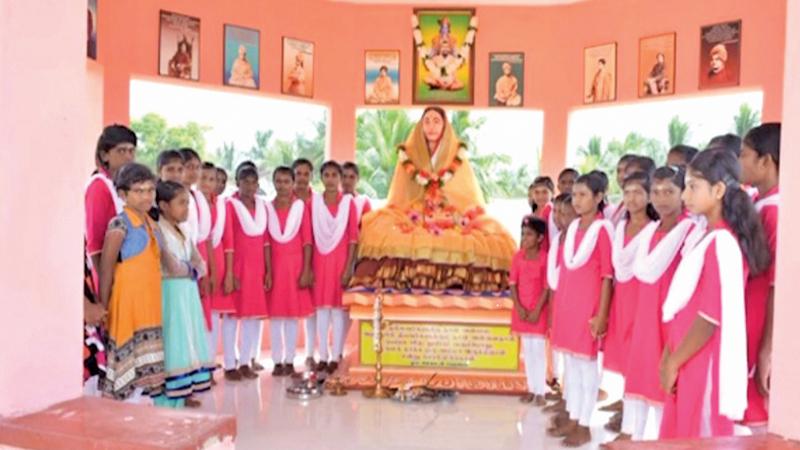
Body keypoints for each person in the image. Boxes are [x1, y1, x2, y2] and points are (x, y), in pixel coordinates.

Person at [659, 150, 770, 438]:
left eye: (693, 186)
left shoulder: (722, 243)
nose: (684, 197)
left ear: (718, 189)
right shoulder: (705, 235)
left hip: (701, 361)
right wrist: (670, 355)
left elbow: (709, 319)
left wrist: (673, 361)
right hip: (686, 357)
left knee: (698, 434)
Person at [351, 106, 516, 293]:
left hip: (450, 209)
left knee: (482, 238)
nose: (431, 127)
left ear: (444, 125)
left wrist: (447, 207)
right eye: (427, 121)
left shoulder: (456, 154)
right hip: (415, 208)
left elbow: (464, 191)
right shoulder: (408, 154)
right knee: (385, 231)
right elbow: (402, 192)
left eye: (436, 121)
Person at [97, 163, 186, 404]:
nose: (147, 196)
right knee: (127, 367)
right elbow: (106, 269)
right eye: (139, 191)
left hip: (149, 305)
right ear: (123, 194)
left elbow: (164, 262)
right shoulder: (120, 225)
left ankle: (138, 407)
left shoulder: (152, 224)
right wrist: (103, 307)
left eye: (150, 190)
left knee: (144, 373)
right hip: (128, 306)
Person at [622, 166, 694, 440]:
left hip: (671, 320)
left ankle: (663, 441)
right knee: (641, 376)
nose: (662, 198)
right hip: (646, 315)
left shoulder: (690, 230)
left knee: (665, 384)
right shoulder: (651, 231)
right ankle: (635, 438)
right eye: (656, 192)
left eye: (669, 192)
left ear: (683, 193)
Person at [548, 172, 614, 447]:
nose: (576, 200)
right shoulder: (573, 228)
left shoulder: (603, 230)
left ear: (599, 198)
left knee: (586, 369)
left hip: (588, 309)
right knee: (572, 368)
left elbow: (607, 277)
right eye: (574, 195)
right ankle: (574, 416)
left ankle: (586, 423)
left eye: (583, 195)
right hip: (567, 306)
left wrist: (601, 314)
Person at [603, 171, 659, 442]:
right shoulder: (620, 227)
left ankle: (635, 432)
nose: (632, 198)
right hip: (622, 298)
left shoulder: (654, 230)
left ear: (649, 196)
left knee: (642, 362)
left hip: (644, 299)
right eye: (627, 192)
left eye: (638, 192)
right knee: (627, 361)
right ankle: (629, 426)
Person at [84, 125, 137, 388]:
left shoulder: (120, 188)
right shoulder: (99, 187)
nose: (128, 156)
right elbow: (95, 245)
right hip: (104, 278)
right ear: (105, 155)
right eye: (121, 151)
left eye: (131, 151)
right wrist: (102, 293)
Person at [738, 123, 781, 431]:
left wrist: (767, 347)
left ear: (766, 161)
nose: (739, 162)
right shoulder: (756, 201)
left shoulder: (776, 210)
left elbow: (777, 285)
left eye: (744, 155)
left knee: (759, 406)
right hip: (747, 315)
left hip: (759, 319)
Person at [156, 181, 212, 407]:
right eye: (181, 203)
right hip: (170, 295)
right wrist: (192, 269)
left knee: (188, 339)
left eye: (188, 203)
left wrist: (192, 268)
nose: (187, 208)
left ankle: (184, 392)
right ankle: (168, 397)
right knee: (173, 340)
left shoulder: (186, 229)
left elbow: (201, 262)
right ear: (163, 206)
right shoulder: (157, 230)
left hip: (187, 294)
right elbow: (171, 266)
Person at [311, 161, 359, 374]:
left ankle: (336, 355)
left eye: (334, 175)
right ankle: (322, 356)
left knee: (338, 311)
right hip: (320, 261)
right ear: (321, 178)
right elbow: (310, 237)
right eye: (326, 175)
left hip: (340, 261)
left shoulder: (348, 203)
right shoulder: (315, 203)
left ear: (339, 178)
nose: (330, 179)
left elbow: (353, 239)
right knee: (322, 310)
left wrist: (349, 268)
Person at [266, 166, 315, 376]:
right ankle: (277, 361)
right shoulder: (268, 208)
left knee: (292, 316)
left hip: (295, 267)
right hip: (275, 266)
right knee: (276, 316)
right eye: (278, 181)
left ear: (293, 183)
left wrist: (306, 270)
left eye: (286, 181)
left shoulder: (299, 207)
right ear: (273, 182)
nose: (282, 185)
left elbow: (307, 241)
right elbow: (265, 243)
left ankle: (289, 361)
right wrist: (268, 271)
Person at [224, 165, 268, 380]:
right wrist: (230, 272)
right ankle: (229, 364)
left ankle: (245, 362)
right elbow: (228, 239)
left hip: (257, 267)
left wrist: (267, 270)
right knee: (233, 317)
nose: (249, 186)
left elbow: (266, 241)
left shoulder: (262, 207)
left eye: (253, 182)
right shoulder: (230, 206)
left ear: (258, 185)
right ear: (237, 183)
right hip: (238, 267)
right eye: (245, 181)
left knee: (252, 316)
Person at [198, 162, 237, 380]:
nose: (207, 183)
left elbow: (229, 242)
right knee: (199, 318)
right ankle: (199, 368)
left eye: (211, 179)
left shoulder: (222, 206)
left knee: (213, 318)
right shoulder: (191, 203)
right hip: (197, 263)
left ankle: (209, 366)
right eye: (203, 178)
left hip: (219, 265)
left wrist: (228, 273)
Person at [543, 192, 578, 422]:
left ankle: (574, 410)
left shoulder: (577, 238)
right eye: (556, 212)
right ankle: (566, 399)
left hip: (574, 304)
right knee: (565, 355)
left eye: (564, 212)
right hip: (559, 301)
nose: (559, 217)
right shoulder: (558, 239)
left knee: (576, 361)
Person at [511, 216, 550, 406]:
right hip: (522, 311)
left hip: (539, 311)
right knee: (528, 351)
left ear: (540, 238)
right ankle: (531, 388)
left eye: (529, 235)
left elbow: (546, 287)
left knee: (539, 351)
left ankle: (540, 391)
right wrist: (518, 307)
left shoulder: (545, 258)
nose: (524, 238)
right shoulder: (517, 257)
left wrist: (536, 310)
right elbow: (513, 285)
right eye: (523, 234)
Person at [291, 158, 319, 369]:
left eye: (305, 174)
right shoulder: (284, 200)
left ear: (311, 176)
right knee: (288, 308)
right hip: (289, 262)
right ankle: (285, 358)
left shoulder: (317, 200)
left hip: (316, 259)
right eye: (298, 174)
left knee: (313, 308)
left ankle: (310, 353)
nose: (301, 178)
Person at [604, 155, 637, 224]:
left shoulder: (638, 204)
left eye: (626, 171)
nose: (621, 176)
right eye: (619, 171)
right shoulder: (620, 206)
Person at [528, 176, 556, 251]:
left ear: (552, 193)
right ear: (532, 194)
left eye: (545, 192)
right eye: (536, 192)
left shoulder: (554, 212)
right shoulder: (530, 216)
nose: (540, 196)